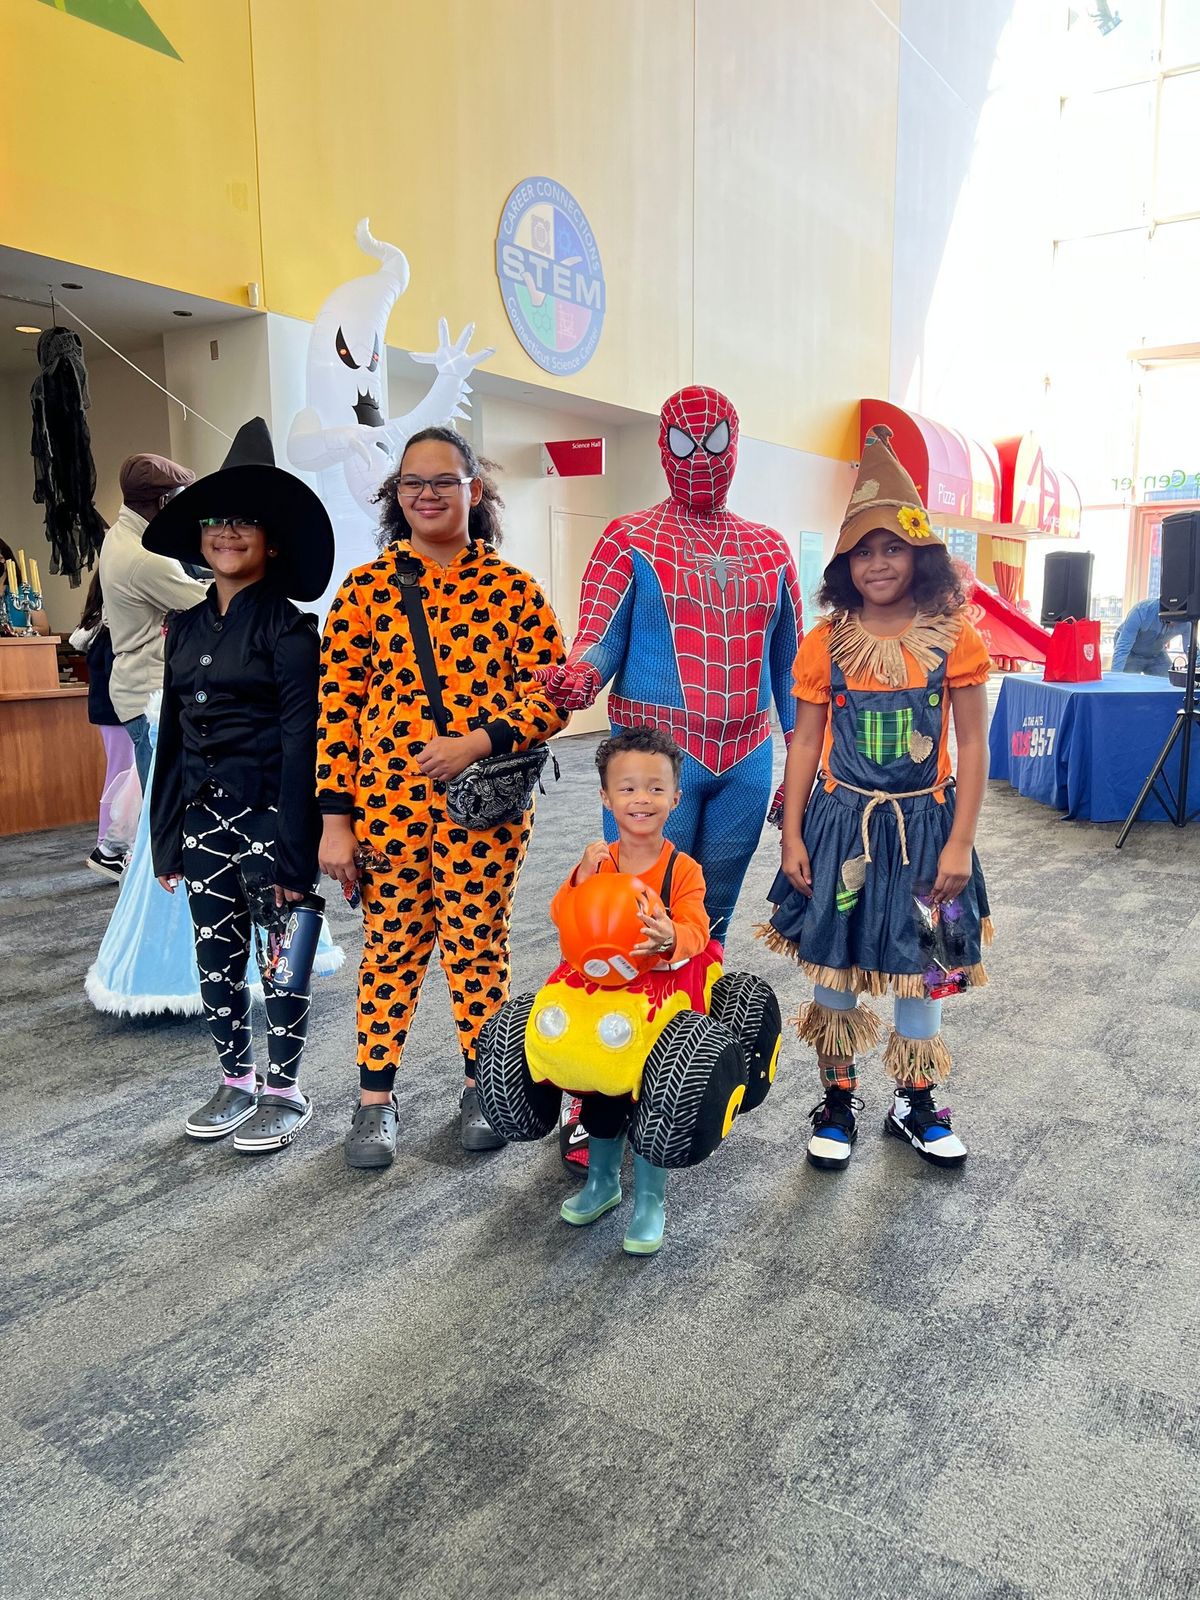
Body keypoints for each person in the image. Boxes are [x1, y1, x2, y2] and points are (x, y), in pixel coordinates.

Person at [540, 386, 802, 1170]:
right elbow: (597, 639)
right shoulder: (630, 538)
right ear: (662, 448)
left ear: (737, 443)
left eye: (715, 443)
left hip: (746, 757)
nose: (701, 461)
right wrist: (578, 677)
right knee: (621, 925)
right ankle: (597, 1095)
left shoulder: (769, 548)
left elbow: (791, 674)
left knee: (705, 922)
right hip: (656, 766)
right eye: (685, 446)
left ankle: (681, 1076)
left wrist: (802, 765)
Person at [317, 426, 568, 1168]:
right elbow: (337, 710)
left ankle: (481, 1086)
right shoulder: (364, 589)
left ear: (474, 490)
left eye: (442, 482)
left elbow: (552, 696)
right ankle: (374, 1103)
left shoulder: (516, 590)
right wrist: (336, 825)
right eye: (412, 483)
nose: (426, 495)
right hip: (385, 804)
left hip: (484, 805)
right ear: (397, 496)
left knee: (476, 946)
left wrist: (478, 741)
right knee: (390, 950)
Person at [763, 425, 993, 1171]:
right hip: (840, 828)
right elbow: (803, 742)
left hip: (926, 829)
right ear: (843, 564)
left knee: (921, 969)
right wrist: (792, 833)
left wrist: (959, 840)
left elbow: (976, 746)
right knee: (837, 967)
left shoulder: (952, 637)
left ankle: (916, 1103)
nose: (878, 563)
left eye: (893, 547)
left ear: (920, 554)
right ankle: (836, 1101)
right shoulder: (826, 643)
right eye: (863, 550)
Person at [146, 418, 335, 1154]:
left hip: (270, 822)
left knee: (281, 957)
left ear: (271, 541)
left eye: (245, 523)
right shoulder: (183, 627)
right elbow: (168, 746)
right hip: (200, 824)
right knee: (213, 956)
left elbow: (301, 745)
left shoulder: (292, 632)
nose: (227, 534)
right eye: (216, 521)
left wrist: (296, 852)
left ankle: (285, 1088)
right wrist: (165, 837)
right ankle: (235, 1077)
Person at [552, 728, 711, 1255]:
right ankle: (602, 1181)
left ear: (674, 797)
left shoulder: (681, 870)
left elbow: (697, 930)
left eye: (654, 788)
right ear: (605, 797)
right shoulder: (600, 863)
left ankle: (650, 1199)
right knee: (600, 1092)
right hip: (604, 994)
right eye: (626, 789)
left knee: (653, 1097)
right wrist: (580, 875)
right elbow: (564, 917)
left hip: (657, 995)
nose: (641, 799)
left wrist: (672, 937)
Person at [99, 453, 207, 786]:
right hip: (148, 695)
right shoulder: (142, 558)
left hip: (135, 688)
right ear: (163, 500)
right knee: (162, 810)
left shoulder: (120, 534)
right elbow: (207, 602)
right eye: (178, 499)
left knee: (157, 803)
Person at [69, 568, 137, 881]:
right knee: (122, 775)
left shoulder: (99, 625)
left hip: (110, 713)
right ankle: (108, 846)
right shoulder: (109, 629)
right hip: (117, 714)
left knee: (120, 773)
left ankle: (111, 844)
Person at [1110, 595, 1191, 675]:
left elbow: (1191, 650)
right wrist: (1116, 677)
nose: (1173, 624)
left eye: (1177, 621)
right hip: (1131, 651)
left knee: (1169, 682)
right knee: (1127, 684)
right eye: (1170, 620)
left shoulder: (1187, 622)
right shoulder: (1142, 610)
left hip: (1156, 652)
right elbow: (1123, 647)